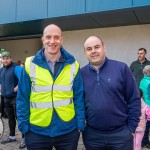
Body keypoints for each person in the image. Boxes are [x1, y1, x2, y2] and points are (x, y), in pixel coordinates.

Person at [16, 24, 85, 150]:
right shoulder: (29, 64)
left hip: (68, 130)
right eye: (48, 37)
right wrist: (24, 127)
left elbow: (79, 97)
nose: (52, 41)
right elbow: (22, 98)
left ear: (61, 40)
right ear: (42, 39)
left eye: (56, 37)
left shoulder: (74, 65)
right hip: (36, 131)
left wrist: (79, 125)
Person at [81, 36, 141, 150]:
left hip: (121, 134)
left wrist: (131, 129)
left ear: (104, 48)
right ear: (85, 53)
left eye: (97, 47)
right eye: (89, 49)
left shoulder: (121, 68)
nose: (93, 51)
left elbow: (134, 99)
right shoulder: (81, 74)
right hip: (93, 136)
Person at [130, 48, 150, 148]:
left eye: (141, 53)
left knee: (146, 116)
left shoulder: (149, 64)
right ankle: (136, 138)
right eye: (138, 53)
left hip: (146, 94)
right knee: (136, 115)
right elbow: (129, 77)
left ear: (145, 54)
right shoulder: (133, 64)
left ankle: (144, 140)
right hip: (136, 93)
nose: (139, 55)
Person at [0, 51, 21, 143]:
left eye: (7, 58)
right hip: (6, 98)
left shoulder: (16, 68)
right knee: (10, 119)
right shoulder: (1, 70)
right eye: (3, 58)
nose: (5, 60)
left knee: (19, 118)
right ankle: (12, 137)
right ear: (1, 59)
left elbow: (23, 80)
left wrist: (16, 89)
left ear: (10, 59)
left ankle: (24, 138)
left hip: (16, 98)